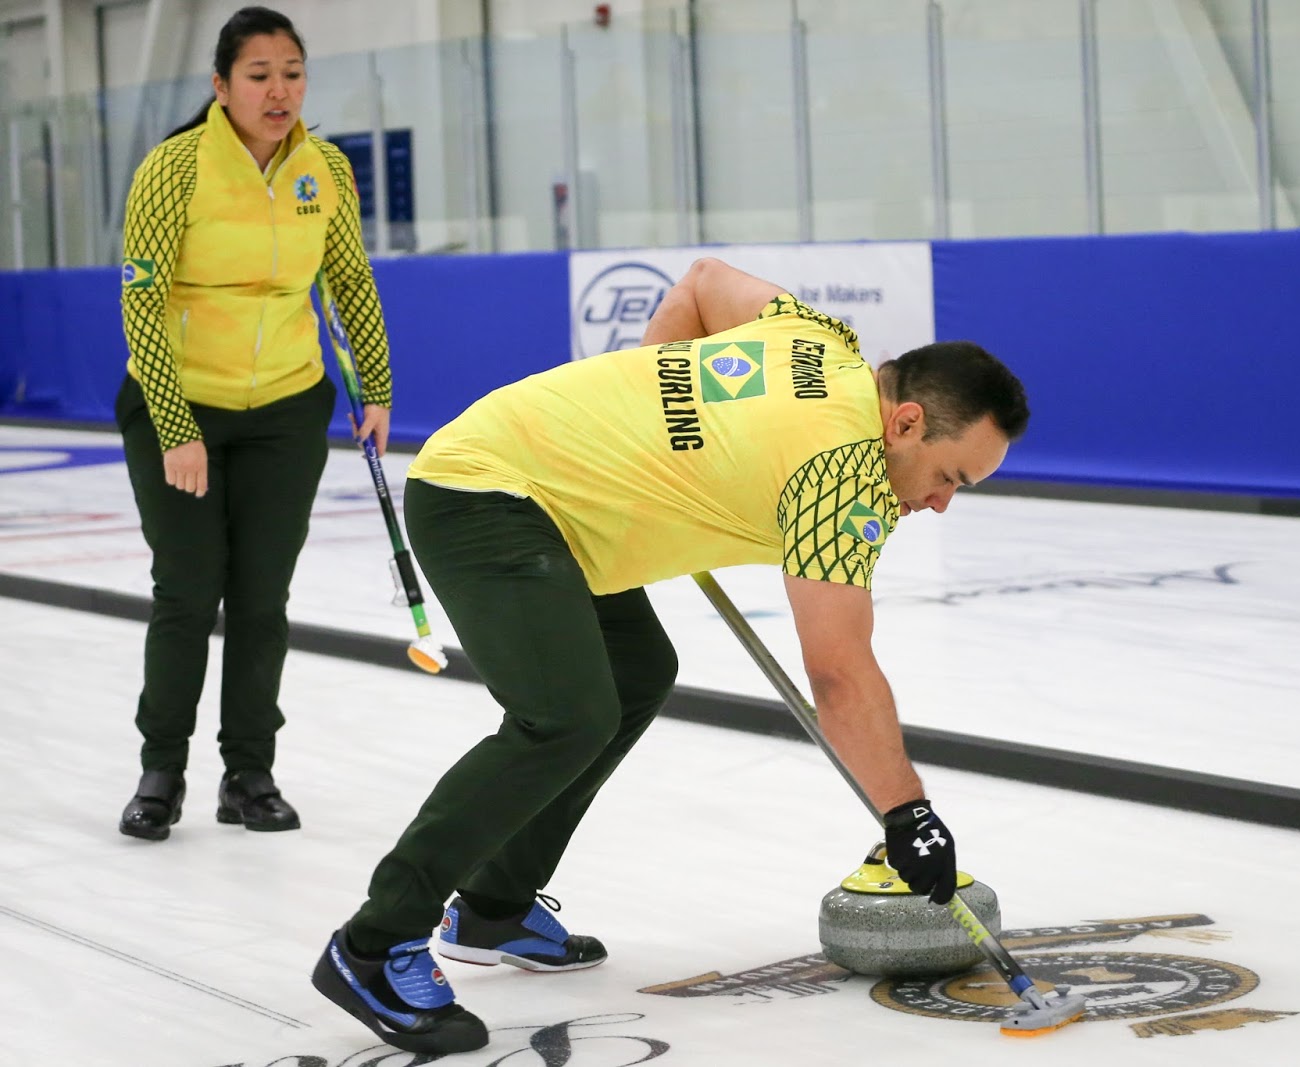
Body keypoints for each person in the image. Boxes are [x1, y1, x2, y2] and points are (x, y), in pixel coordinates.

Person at [311, 257, 1029, 1055]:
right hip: (488, 492)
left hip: (557, 496)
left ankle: (495, 904)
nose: (938, 503)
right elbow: (837, 671)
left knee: (635, 673)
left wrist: (656, 433)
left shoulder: (822, 339)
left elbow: (701, 282)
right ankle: (372, 945)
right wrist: (908, 813)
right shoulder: (843, 473)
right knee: (564, 717)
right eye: (948, 476)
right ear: (904, 423)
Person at [116, 6, 393, 841]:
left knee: (263, 598)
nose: (280, 91)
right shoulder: (174, 169)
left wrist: (375, 385)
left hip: (285, 403)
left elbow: (349, 278)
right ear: (221, 86)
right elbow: (142, 299)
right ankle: (161, 769)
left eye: (293, 72)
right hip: (182, 403)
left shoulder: (326, 169)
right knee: (189, 589)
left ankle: (250, 774)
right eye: (260, 75)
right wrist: (175, 425)